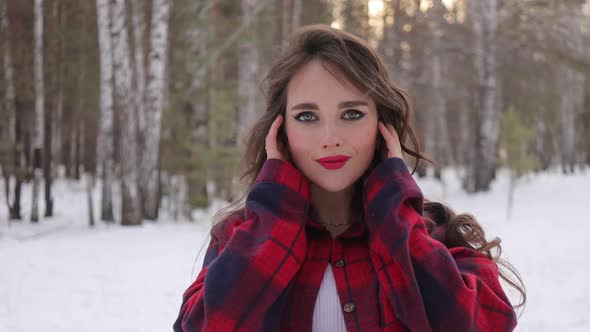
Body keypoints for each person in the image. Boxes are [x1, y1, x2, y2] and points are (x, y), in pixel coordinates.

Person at [173, 24, 525, 332]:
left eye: (352, 113)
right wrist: (276, 216)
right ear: (281, 132)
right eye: (307, 116)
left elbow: (481, 323)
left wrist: (393, 216)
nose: (330, 137)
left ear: (381, 125)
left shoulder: (433, 237)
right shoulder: (243, 238)